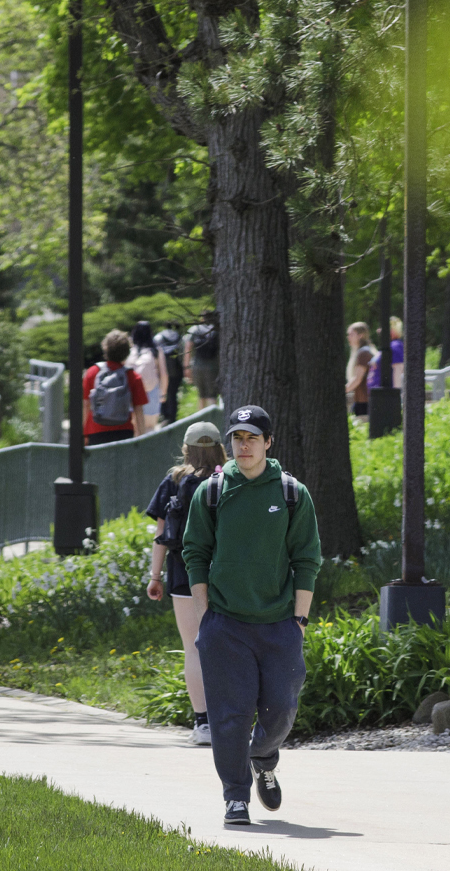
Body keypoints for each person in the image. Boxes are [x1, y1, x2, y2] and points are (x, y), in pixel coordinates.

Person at [182, 405, 319, 825]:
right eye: (237, 439)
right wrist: (206, 615)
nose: (244, 446)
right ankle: (235, 797)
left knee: (280, 708)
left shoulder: (292, 493)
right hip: (226, 624)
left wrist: (298, 620)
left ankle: (262, 756)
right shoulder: (213, 491)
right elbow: (195, 553)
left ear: (268, 442)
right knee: (230, 716)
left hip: (279, 624)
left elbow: (307, 559)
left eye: (252, 438)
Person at [144, 421, 227, 746]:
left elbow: (161, 535)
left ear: (186, 449)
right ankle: (228, 718)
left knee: (194, 646)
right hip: (224, 573)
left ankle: (202, 723)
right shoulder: (227, 479)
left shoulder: (174, 481)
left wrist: (155, 577)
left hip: (183, 575)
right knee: (228, 645)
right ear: (220, 447)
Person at [83, 329, 152, 446]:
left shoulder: (92, 372)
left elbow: (85, 404)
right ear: (127, 352)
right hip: (124, 432)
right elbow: (138, 410)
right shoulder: (132, 376)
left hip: (95, 431)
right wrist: (141, 437)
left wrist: (83, 433)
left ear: (105, 349)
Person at [131, 321, 167, 432]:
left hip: (133, 394)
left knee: (136, 429)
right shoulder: (155, 351)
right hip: (151, 392)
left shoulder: (129, 352)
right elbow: (164, 374)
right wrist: (163, 393)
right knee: (150, 428)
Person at [186, 309, 221, 410]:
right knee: (212, 395)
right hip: (213, 366)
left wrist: (187, 367)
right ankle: (213, 420)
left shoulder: (195, 329)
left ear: (202, 318)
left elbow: (188, 347)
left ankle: (200, 420)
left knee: (201, 395)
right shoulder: (217, 330)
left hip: (197, 366)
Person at [153, 324, 185, 422]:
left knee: (163, 393)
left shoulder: (158, 337)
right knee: (173, 394)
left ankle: (164, 416)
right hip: (176, 370)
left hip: (163, 371)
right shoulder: (178, 337)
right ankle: (172, 418)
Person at [344, 322, 377, 416]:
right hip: (364, 400)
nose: (348, 337)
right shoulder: (366, 350)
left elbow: (357, 379)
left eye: (351, 334)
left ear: (360, 335)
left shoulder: (363, 353)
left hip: (364, 401)